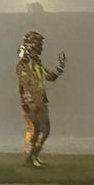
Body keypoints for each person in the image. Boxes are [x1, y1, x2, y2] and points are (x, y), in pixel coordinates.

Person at [15, 31, 65, 167]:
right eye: (38, 43)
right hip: (31, 102)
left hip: (41, 100)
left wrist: (60, 68)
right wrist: (29, 102)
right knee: (35, 129)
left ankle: (33, 156)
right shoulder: (23, 64)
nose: (41, 47)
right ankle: (29, 157)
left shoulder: (37, 63)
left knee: (45, 129)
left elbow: (50, 77)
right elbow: (23, 85)